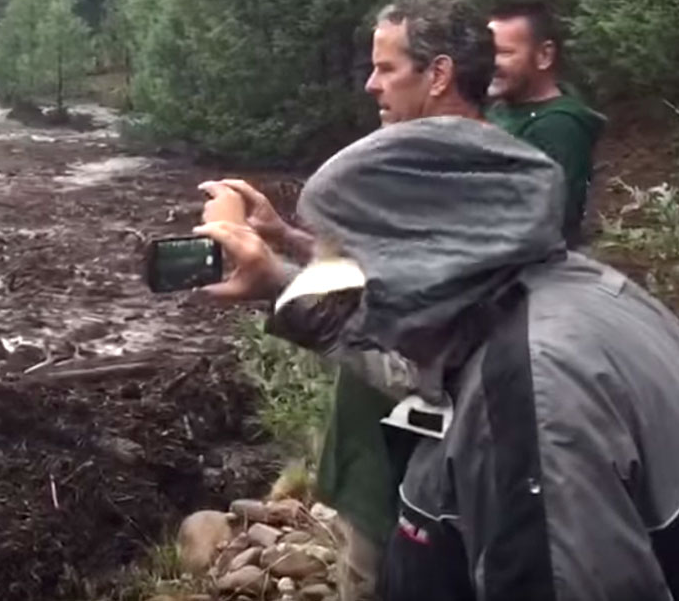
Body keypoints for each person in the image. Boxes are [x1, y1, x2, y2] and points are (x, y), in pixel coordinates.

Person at [196, 117, 679, 600]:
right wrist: (279, 281)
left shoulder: (534, 393)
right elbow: (412, 357)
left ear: (415, 254)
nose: (330, 273)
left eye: (340, 255)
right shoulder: (560, 292)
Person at [200, 0, 497, 601]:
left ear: (438, 74)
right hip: (380, 466)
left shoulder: (471, 191)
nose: (370, 84)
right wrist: (288, 238)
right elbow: (383, 282)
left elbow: (425, 365)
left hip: (417, 492)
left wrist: (275, 282)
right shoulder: (459, 171)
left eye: (386, 68)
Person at [487, 0, 606, 246]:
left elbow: (551, 221)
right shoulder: (502, 109)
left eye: (504, 53)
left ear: (544, 55)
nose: (491, 63)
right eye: (487, 53)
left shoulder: (559, 127)